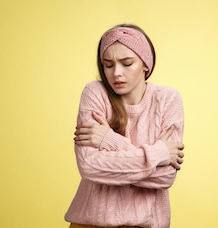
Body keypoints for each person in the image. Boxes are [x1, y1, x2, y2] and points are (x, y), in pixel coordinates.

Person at [65, 24, 186, 228]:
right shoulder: (95, 93)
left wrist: (110, 140)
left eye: (127, 63)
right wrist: (159, 153)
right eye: (108, 65)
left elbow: (165, 177)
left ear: (146, 64)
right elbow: (89, 166)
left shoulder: (167, 99)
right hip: (90, 224)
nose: (116, 73)